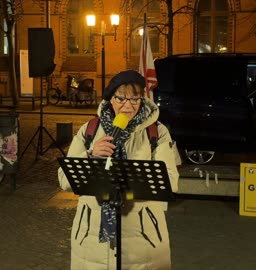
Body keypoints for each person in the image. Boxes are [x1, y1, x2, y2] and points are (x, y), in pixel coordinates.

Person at [58, 70, 179, 269]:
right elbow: (64, 179)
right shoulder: (89, 130)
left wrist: (130, 177)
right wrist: (91, 156)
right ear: (110, 99)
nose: (128, 105)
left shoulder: (157, 132)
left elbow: (171, 182)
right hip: (91, 240)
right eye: (121, 98)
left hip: (143, 239)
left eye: (135, 98)